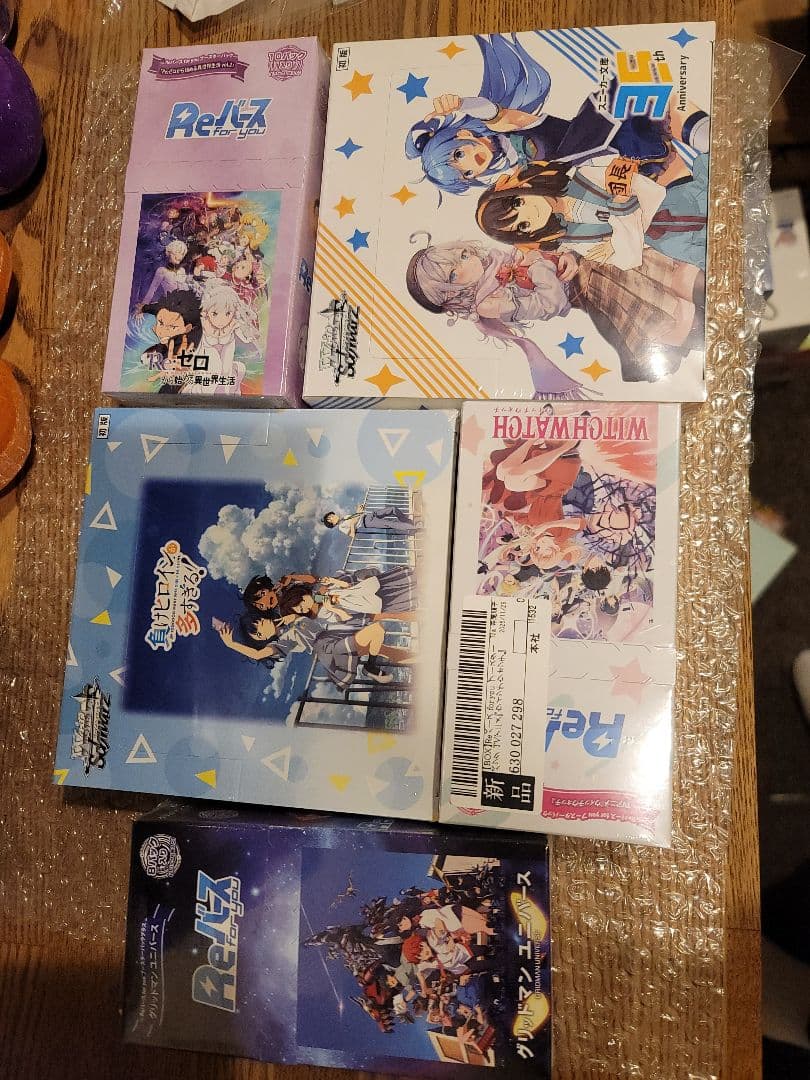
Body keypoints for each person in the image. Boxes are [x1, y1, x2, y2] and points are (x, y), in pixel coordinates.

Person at [406, 33, 711, 198]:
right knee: (676, 185)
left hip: (598, 130)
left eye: (459, 154)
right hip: (608, 167)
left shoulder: (507, 129)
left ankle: (704, 133)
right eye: (466, 173)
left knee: (641, 91)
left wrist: (461, 103)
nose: (472, 163)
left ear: (463, 135)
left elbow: (497, 114)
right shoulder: (509, 177)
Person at [138, 289, 203, 395]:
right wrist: (144, 308)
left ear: (187, 328)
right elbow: (157, 308)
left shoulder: (191, 340)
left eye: (172, 327)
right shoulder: (166, 310)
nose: (162, 331)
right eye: (160, 323)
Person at [323, 503, 420, 539]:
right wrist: (353, 523)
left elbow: (357, 517)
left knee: (392, 509)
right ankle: (417, 528)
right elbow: (352, 535)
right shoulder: (341, 527)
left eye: (331, 515)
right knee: (391, 524)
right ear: (332, 524)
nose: (333, 516)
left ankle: (408, 523)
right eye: (330, 519)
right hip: (367, 522)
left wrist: (358, 511)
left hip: (369, 515)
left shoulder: (344, 517)